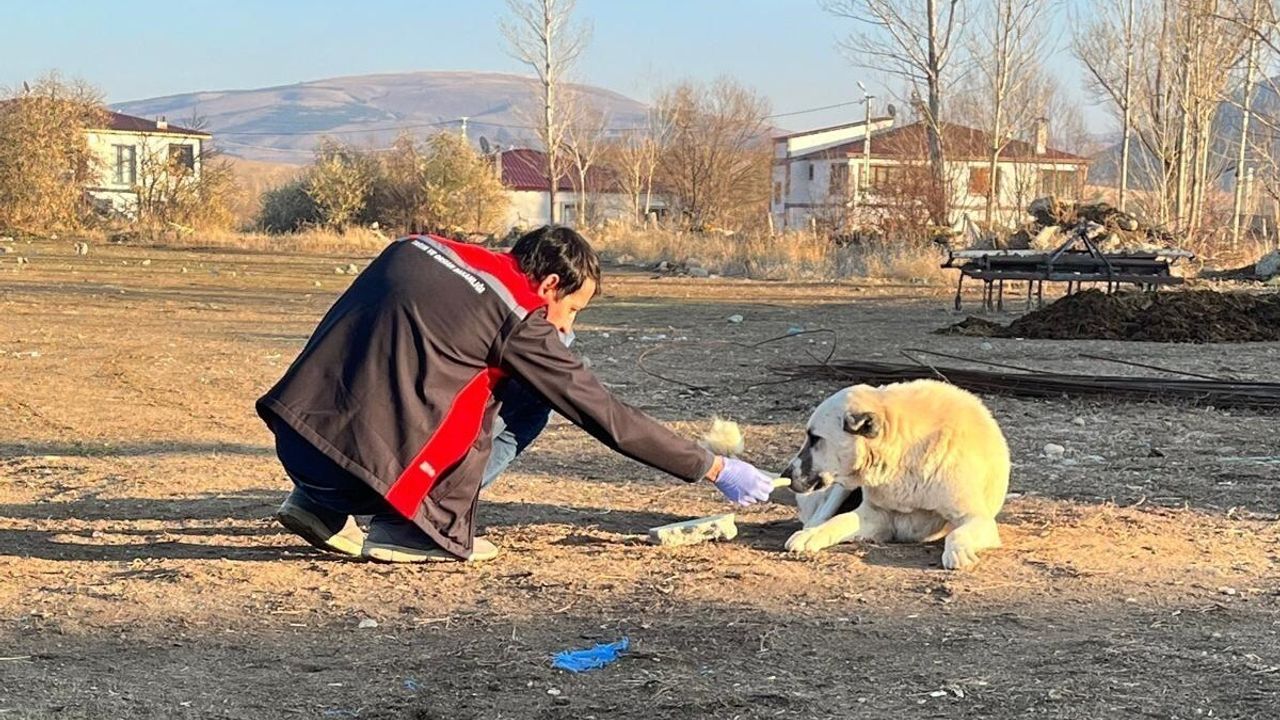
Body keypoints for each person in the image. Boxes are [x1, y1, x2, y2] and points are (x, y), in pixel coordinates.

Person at [257, 226, 776, 563]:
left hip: (298, 443)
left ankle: (319, 506)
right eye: (573, 310)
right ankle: (413, 528)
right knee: (532, 395)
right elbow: (605, 414)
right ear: (549, 284)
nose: (567, 326)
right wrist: (714, 468)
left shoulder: (415, 247)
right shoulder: (518, 317)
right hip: (367, 474)